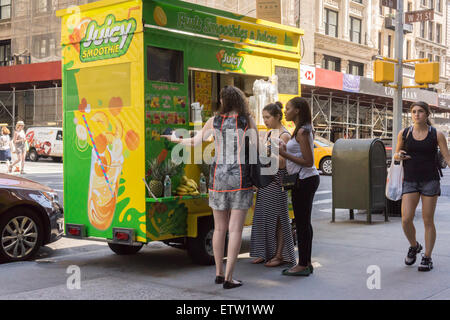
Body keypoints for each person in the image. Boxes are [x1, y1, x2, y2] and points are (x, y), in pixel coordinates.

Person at [162, 86, 258, 289]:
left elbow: (195, 142)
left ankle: (218, 273)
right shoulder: (246, 120)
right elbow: (255, 147)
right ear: (240, 101)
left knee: (219, 229)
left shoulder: (213, 121)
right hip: (240, 179)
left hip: (217, 179)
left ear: (224, 100)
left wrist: (174, 139)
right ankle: (230, 278)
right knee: (235, 230)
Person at [394, 101, 450, 272]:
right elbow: (396, 155)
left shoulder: (436, 134)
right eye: (413, 112)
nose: (416, 114)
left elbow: (447, 157)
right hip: (410, 180)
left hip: (430, 181)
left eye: (420, 111)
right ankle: (414, 245)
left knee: (427, 221)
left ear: (427, 114)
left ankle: (427, 256)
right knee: (406, 219)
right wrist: (398, 155)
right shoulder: (404, 134)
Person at [250, 102, 296, 267]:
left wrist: (265, 151)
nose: (265, 120)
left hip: (277, 181)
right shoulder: (270, 133)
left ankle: (279, 255)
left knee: (279, 218)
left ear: (277, 116)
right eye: (263, 117)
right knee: (263, 216)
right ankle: (265, 253)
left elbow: (280, 162)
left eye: (267, 117)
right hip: (267, 180)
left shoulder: (284, 135)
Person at [278, 97, 320, 276]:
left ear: (297, 110)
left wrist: (284, 154)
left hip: (305, 179)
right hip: (304, 180)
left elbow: (309, 161)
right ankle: (306, 262)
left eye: (288, 108)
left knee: (302, 223)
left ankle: (302, 264)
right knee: (303, 223)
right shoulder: (301, 130)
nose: (285, 111)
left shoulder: (303, 131)